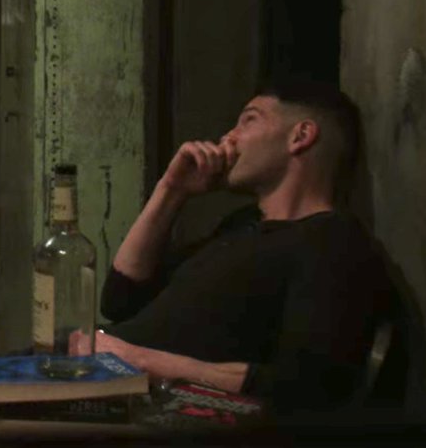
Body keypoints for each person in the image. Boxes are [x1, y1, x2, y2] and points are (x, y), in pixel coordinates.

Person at [79, 81, 394, 413]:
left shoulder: (332, 242)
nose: (228, 137)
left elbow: (309, 387)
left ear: (300, 136)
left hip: (140, 407)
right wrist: (171, 190)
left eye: (249, 120)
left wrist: (139, 361)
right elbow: (120, 300)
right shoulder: (243, 225)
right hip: (92, 373)